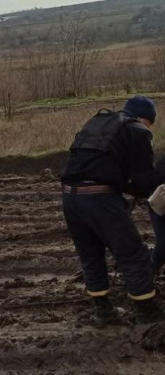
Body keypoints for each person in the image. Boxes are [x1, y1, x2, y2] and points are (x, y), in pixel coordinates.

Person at [61, 95, 165, 327]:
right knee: (133, 254)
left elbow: (99, 163)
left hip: (70, 197)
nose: (149, 128)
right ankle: (148, 316)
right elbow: (145, 181)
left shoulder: (97, 122)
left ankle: (103, 312)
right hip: (99, 199)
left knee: (90, 256)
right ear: (143, 118)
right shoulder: (137, 130)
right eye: (150, 123)